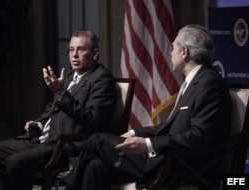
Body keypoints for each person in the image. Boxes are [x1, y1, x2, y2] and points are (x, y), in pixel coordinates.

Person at [64, 24, 232, 190]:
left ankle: (67, 187)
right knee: (95, 166)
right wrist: (134, 133)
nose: (170, 53)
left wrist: (148, 144)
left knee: (97, 140)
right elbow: (170, 128)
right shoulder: (193, 82)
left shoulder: (209, 83)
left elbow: (199, 137)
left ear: (184, 52)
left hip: (180, 165)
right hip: (167, 157)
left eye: (173, 48)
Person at [0, 29, 117, 190]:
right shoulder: (68, 76)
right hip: (40, 138)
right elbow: (51, 110)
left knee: (15, 162)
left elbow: (93, 120)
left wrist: (61, 93)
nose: (74, 55)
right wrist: (39, 123)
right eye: (71, 50)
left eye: (80, 49)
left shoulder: (102, 79)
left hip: (63, 145)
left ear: (95, 53)